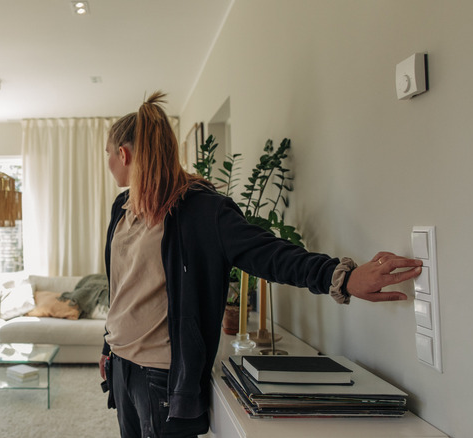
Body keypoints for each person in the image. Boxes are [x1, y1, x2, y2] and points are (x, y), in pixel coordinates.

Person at [99, 91, 422, 438]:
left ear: (123, 153)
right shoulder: (122, 208)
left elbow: (270, 253)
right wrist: (108, 347)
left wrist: (341, 277)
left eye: (108, 155)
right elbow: (123, 290)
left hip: (160, 375)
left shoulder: (201, 211)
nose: (109, 163)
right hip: (122, 365)